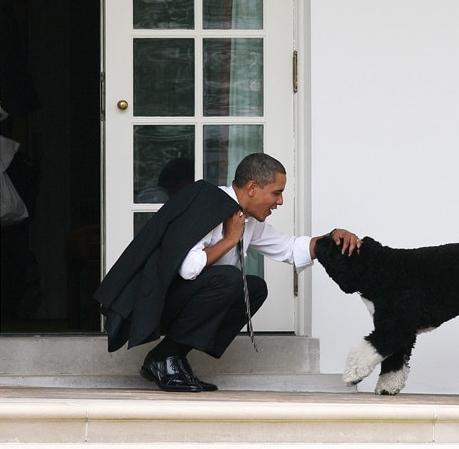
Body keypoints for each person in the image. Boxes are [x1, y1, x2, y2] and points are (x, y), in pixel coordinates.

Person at [94, 152, 361, 393]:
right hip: (153, 304)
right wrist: (230, 240)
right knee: (229, 279)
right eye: (276, 193)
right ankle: (164, 359)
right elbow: (188, 268)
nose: (279, 201)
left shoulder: (246, 218)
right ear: (253, 188)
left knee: (255, 288)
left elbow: (290, 248)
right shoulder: (207, 203)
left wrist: (332, 237)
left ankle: (168, 355)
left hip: (182, 301)